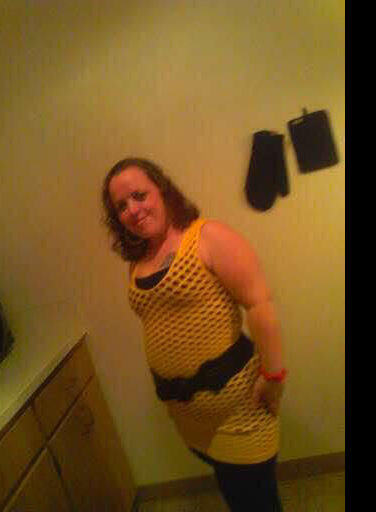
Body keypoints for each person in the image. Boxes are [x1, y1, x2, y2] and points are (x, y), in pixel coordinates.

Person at [102, 157, 287, 511]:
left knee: (255, 504)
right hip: (188, 418)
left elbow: (259, 304)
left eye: (139, 195)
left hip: (238, 411)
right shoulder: (138, 261)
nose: (132, 210)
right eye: (121, 206)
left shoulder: (208, 237)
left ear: (162, 189)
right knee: (236, 495)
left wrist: (275, 376)